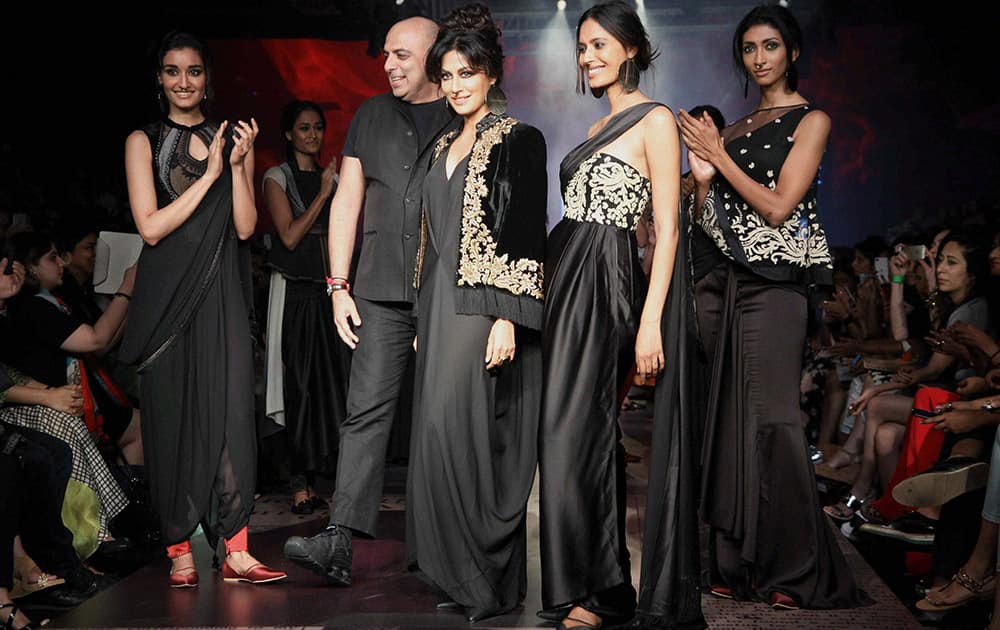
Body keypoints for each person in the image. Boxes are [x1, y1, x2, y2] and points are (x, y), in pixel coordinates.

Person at [677, 3, 868, 609]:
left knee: (778, 422)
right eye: (749, 49)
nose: (759, 59)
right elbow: (712, 226)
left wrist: (720, 158)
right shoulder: (729, 130)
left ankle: (798, 569)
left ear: (792, 52)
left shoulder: (812, 120)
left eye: (770, 46)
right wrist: (703, 182)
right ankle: (738, 564)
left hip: (778, 287)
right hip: (725, 287)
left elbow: (781, 206)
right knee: (731, 424)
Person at [283, 15, 457, 585]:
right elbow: (347, 203)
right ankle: (339, 540)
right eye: (386, 54)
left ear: (435, 55)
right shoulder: (370, 116)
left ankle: (448, 546)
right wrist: (338, 286)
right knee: (365, 415)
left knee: (443, 418)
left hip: (445, 293)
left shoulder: (466, 113)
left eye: (402, 55)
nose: (389, 64)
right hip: (379, 290)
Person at [119, 30, 285, 587]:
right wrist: (210, 174)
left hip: (222, 295)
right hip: (167, 300)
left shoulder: (231, 137)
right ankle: (178, 548)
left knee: (234, 413)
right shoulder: (143, 140)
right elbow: (150, 226)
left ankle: (236, 548)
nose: (183, 82)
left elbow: (244, 226)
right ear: (159, 79)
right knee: (171, 419)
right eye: (172, 71)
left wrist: (237, 166)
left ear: (206, 78)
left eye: (193, 71)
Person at [537, 2, 681, 628]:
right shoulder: (600, 125)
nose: (588, 57)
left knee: (583, 434)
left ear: (629, 47)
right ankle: (601, 584)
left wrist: (650, 321)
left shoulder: (656, 120)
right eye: (582, 47)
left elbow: (669, 230)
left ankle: (598, 591)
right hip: (567, 274)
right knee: (564, 436)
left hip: (607, 279)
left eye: (599, 45)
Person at [403, 4, 546, 622]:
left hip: (482, 305)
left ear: (491, 74)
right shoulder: (439, 143)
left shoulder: (518, 139)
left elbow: (523, 232)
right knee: (435, 439)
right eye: (449, 74)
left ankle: (487, 583)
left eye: (468, 72)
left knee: (467, 437)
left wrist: (507, 317)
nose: (457, 85)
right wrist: (417, 315)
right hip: (436, 306)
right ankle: (461, 575)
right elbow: (428, 237)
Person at [262, 99, 350, 514]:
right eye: (303, 128)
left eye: (316, 127)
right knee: (297, 386)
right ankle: (299, 482)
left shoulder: (330, 174)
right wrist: (326, 194)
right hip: (294, 290)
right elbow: (291, 236)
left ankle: (324, 479)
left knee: (329, 386)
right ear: (288, 134)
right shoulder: (276, 177)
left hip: (329, 288)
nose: (312, 135)